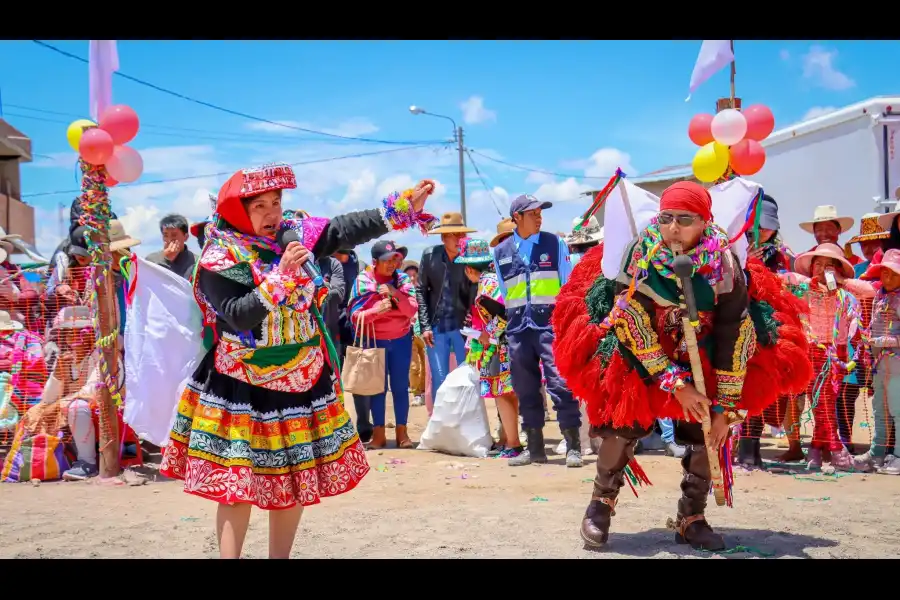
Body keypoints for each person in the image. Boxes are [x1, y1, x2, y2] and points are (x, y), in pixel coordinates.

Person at [158, 162, 437, 559]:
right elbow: (237, 313)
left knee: (291, 482)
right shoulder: (219, 256)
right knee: (238, 486)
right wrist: (280, 278)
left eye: (276, 202)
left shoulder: (293, 235)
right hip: (242, 385)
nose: (273, 214)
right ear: (239, 210)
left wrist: (397, 210)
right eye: (260, 207)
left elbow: (342, 229)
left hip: (301, 382)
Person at [554, 181, 810, 551]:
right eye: (667, 218)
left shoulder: (724, 265)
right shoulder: (638, 257)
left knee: (707, 428)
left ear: (705, 222)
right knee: (622, 425)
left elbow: (733, 332)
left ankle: (692, 516)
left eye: (685, 220)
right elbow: (631, 321)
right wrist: (674, 384)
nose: (674, 228)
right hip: (640, 346)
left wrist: (725, 408)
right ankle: (600, 506)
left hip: (702, 346)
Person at [493, 194, 582, 468]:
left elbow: (567, 284)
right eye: (533, 213)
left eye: (540, 212)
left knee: (560, 384)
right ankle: (535, 449)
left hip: (549, 326)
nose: (539, 216)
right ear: (517, 218)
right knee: (525, 388)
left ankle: (573, 446)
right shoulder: (500, 252)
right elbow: (505, 291)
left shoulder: (555, 244)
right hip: (518, 329)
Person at [786, 243, 874, 470]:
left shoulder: (844, 292)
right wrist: (810, 281)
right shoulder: (803, 288)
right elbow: (782, 278)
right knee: (820, 399)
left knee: (826, 399)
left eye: (829, 265)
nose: (823, 269)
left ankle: (816, 449)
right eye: (819, 264)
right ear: (811, 267)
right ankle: (834, 449)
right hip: (811, 349)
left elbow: (870, 290)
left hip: (837, 350)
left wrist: (841, 281)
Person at [737, 193, 799, 469]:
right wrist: (744, 262)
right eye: (756, 225)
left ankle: (753, 453)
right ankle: (742, 452)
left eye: (766, 225)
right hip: (737, 326)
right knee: (739, 387)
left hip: (770, 329)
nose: (761, 231)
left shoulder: (784, 256)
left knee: (761, 387)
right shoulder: (732, 249)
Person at [456, 237, 523, 459]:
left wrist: (488, 333)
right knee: (509, 394)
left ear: (468, 269)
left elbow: (505, 314)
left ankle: (513, 443)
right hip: (513, 344)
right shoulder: (499, 279)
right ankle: (510, 440)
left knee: (503, 395)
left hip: (500, 348)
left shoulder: (486, 288)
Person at [348, 241, 418, 449]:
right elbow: (354, 316)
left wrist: (393, 293)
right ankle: (378, 434)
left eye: (395, 259)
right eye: (387, 260)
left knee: (400, 387)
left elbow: (411, 310)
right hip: (373, 341)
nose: (391, 264)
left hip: (401, 340)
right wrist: (375, 311)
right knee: (377, 388)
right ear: (375, 262)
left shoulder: (402, 279)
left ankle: (402, 433)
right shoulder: (362, 281)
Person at [416, 213, 478, 402]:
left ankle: (466, 424)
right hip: (436, 327)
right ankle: (439, 426)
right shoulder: (429, 255)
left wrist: (472, 319)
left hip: (463, 328)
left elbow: (475, 293)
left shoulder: (470, 258)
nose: (460, 239)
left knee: (467, 378)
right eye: (455, 234)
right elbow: (420, 290)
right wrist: (425, 326)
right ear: (444, 237)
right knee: (440, 379)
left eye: (462, 234)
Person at [853, 248, 900, 475]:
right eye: (884, 273)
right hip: (880, 366)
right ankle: (877, 452)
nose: (887, 277)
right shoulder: (879, 298)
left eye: (892, 273)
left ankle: (898, 456)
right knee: (880, 411)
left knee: (898, 411)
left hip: (898, 367)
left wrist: (885, 340)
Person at [402, 260, 427, 406]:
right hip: (408, 333)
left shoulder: (424, 290)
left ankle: (424, 392)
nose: (412, 278)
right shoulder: (402, 292)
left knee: (425, 364)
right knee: (413, 366)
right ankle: (417, 393)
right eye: (409, 275)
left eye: (414, 275)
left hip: (422, 331)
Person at [145, 214, 198, 281]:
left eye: (174, 235)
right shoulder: (151, 260)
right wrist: (166, 260)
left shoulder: (196, 262)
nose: (169, 240)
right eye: (165, 235)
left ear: (186, 237)